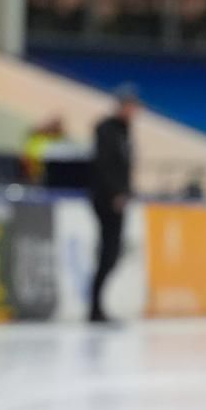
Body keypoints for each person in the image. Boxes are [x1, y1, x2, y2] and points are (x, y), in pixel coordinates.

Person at [88, 85, 138, 323]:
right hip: (107, 199)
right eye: (129, 105)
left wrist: (127, 192)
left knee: (113, 253)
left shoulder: (125, 131)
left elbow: (125, 167)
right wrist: (116, 193)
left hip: (119, 199)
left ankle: (98, 306)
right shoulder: (107, 130)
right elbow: (105, 165)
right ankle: (95, 307)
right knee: (108, 252)